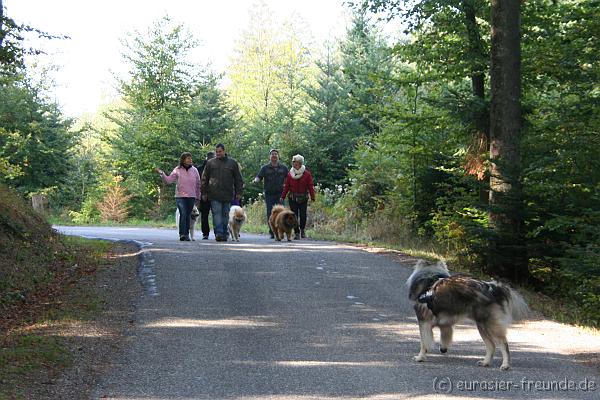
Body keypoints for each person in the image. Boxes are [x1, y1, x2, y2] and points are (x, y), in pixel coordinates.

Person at [201, 143, 244, 242]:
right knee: (216, 214)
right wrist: (204, 192)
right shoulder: (210, 163)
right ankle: (219, 233)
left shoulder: (232, 163)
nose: (218, 153)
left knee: (225, 215)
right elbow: (204, 178)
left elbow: (238, 178)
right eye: (216, 152)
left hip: (228, 194)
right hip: (214, 193)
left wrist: (239, 192)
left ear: (224, 151)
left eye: (220, 151)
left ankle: (225, 233)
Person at [155, 152, 201, 241]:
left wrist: (198, 196)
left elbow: (198, 184)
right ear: (183, 160)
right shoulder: (177, 169)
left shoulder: (194, 170)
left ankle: (186, 234)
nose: (190, 160)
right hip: (180, 196)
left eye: (191, 158)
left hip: (191, 196)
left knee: (188, 215)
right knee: (183, 214)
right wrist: (162, 173)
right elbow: (168, 180)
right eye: (188, 158)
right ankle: (182, 234)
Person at [253, 149, 288, 238]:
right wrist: (255, 181)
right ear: (270, 156)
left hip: (280, 193)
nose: (274, 155)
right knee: (270, 213)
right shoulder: (265, 168)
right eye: (272, 154)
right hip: (269, 194)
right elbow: (259, 177)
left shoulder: (283, 168)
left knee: (282, 212)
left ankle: (281, 230)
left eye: (275, 154)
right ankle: (272, 232)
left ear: (278, 156)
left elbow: (288, 178)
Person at [280, 154, 315, 239]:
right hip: (293, 198)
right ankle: (296, 232)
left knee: (303, 215)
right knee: (293, 216)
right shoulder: (290, 174)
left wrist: (312, 196)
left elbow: (310, 186)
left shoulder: (306, 174)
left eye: (296, 162)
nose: (295, 164)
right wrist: (283, 196)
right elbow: (287, 186)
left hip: (303, 198)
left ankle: (302, 230)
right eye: (294, 162)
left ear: (300, 163)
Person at [197, 151, 215, 240]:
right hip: (204, 195)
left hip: (216, 194)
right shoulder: (199, 169)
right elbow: (198, 182)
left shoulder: (217, 168)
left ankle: (219, 232)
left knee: (218, 214)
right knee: (204, 215)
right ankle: (205, 233)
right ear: (206, 158)